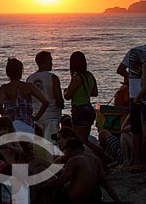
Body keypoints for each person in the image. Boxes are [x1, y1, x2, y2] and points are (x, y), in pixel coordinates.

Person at [53, 138, 119, 204]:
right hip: (89, 198)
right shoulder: (96, 159)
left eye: (66, 150)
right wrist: (117, 200)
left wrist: (47, 186)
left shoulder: (74, 160)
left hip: (73, 199)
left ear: (69, 150)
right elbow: (104, 182)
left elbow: (62, 180)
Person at [0, 58, 49, 134]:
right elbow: (45, 102)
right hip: (28, 124)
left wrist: (7, 116)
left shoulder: (4, 88)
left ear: (8, 72)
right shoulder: (29, 86)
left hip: (12, 125)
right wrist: (36, 117)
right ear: (20, 71)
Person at [117, 44, 146, 172]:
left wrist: (131, 79)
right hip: (141, 95)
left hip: (135, 95)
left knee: (136, 131)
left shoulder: (134, 51)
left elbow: (120, 69)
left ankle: (137, 161)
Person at [27, 51, 64, 142]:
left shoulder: (29, 79)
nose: (52, 63)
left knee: (38, 146)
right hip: (52, 116)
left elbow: (28, 100)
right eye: (50, 61)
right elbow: (59, 100)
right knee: (51, 145)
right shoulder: (53, 78)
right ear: (45, 62)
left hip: (36, 116)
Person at [63, 52, 99, 147]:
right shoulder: (90, 76)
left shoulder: (76, 78)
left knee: (79, 140)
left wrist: (65, 91)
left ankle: (91, 157)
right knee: (85, 140)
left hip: (79, 110)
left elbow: (68, 96)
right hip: (89, 108)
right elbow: (94, 93)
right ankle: (102, 155)